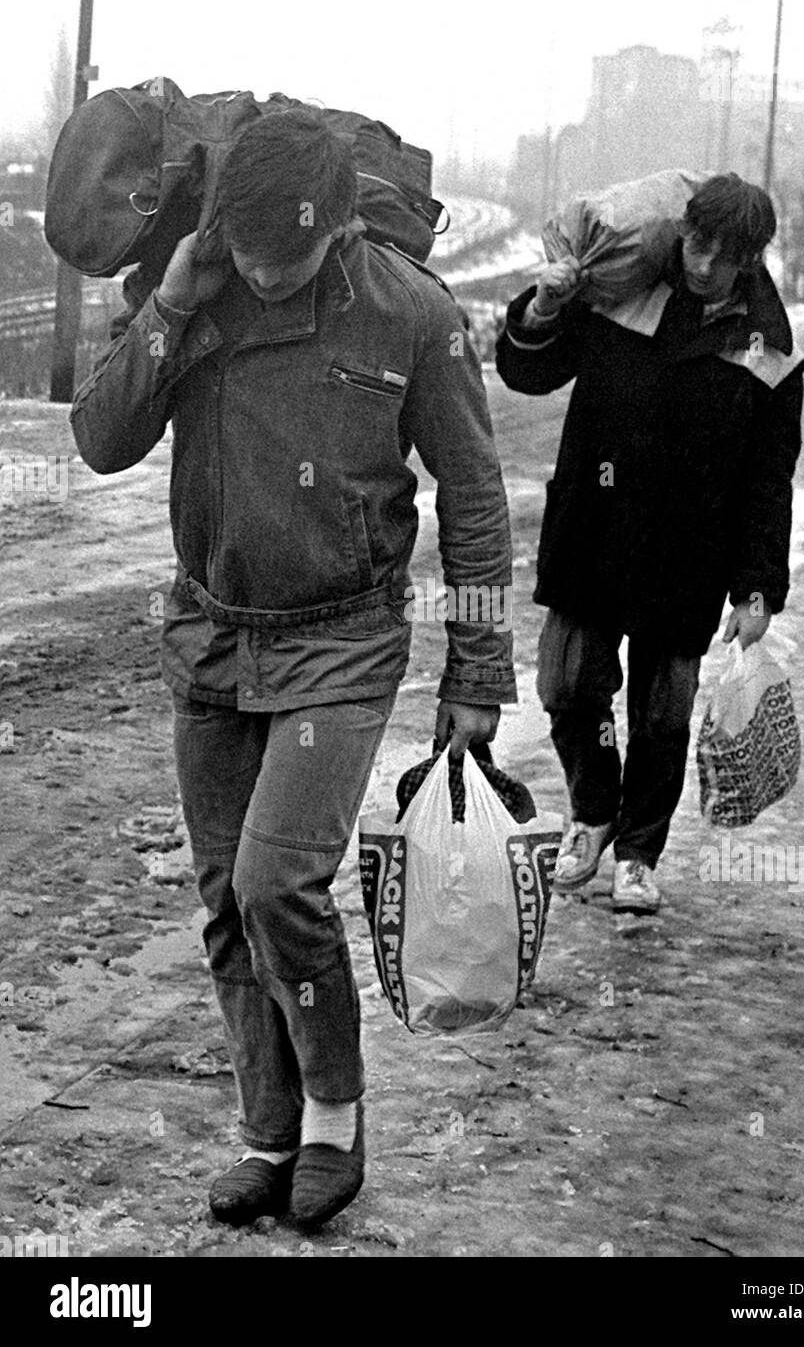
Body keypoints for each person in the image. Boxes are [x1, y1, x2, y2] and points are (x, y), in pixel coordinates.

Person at [70, 109, 516, 1229]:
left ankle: (332, 1114)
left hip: (341, 641)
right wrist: (171, 301)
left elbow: (472, 499)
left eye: (290, 257)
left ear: (339, 228)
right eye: (248, 254)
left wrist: (477, 672)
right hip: (213, 634)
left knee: (279, 886)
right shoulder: (198, 287)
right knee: (226, 900)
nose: (265, 276)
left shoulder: (411, 311)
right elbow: (98, 438)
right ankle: (265, 1132)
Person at [495, 173, 804, 914]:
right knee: (569, 688)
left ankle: (638, 853)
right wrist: (543, 305)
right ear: (682, 232)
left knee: (663, 717)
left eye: (723, 256)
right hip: (594, 528)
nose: (703, 264)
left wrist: (759, 585)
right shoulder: (622, 290)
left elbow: (770, 472)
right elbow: (528, 369)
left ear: (751, 260)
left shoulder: (763, 338)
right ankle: (593, 810)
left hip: (689, 549)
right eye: (697, 243)